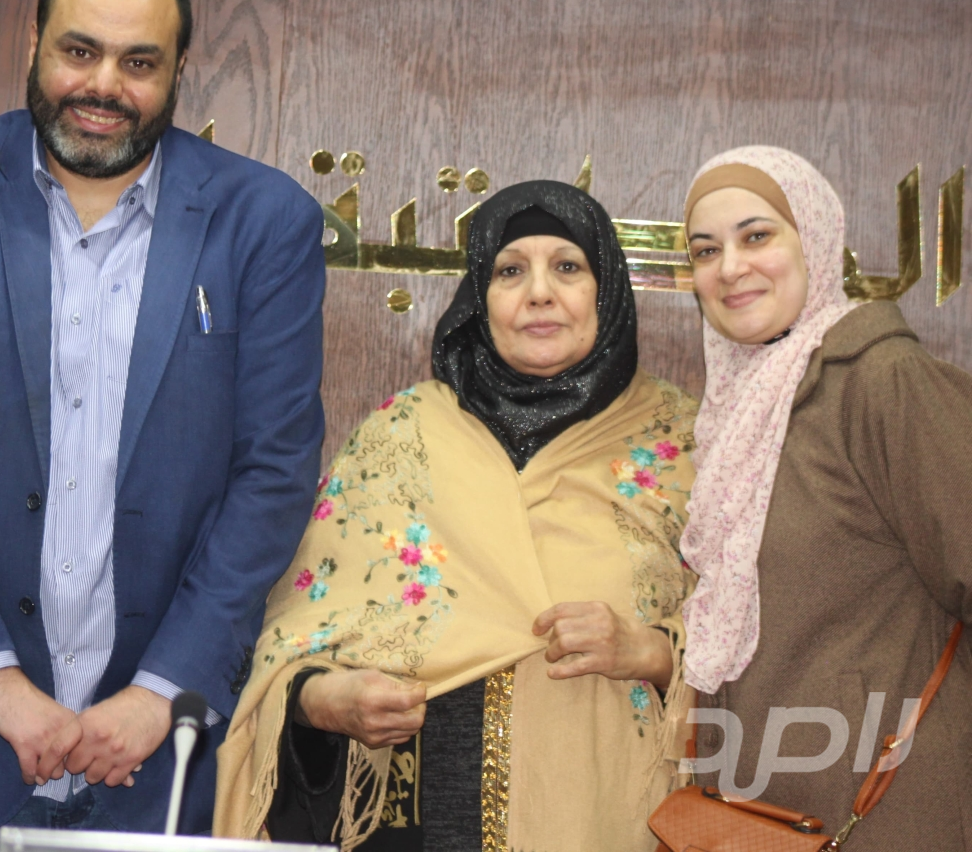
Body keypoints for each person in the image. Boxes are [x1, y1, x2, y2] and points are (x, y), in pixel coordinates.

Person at [0, 0, 325, 847]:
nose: (104, 85)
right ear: (32, 44)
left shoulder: (265, 221)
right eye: (79, 51)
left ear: (179, 72)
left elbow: (273, 473)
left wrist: (161, 690)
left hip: (161, 764)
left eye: (139, 62)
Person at [215, 180, 699, 852]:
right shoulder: (402, 439)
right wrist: (328, 702)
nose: (538, 293)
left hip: (618, 820)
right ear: (479, 296)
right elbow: (288, 646)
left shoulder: (686, 446)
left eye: (567, 267)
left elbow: (761, 654)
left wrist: (651, 652)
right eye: (510, 271)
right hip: (415, 827)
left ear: (607, 290)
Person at [679, 146, 972, 848]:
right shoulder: (738, 415)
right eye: (706, 250)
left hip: (885, 817)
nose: (730, 267)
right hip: (759, 817)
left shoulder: (884, 381)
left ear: (812, 238)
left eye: (757, 236)